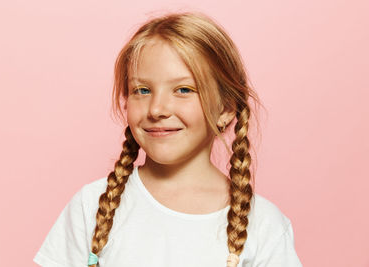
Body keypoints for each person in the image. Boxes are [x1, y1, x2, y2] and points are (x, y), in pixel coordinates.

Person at [33, 12, 302, 267]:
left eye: (183, 89)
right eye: (142, 90)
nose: (156, 109)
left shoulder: (265, 226)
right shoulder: (89, 206)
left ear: (226, 108)